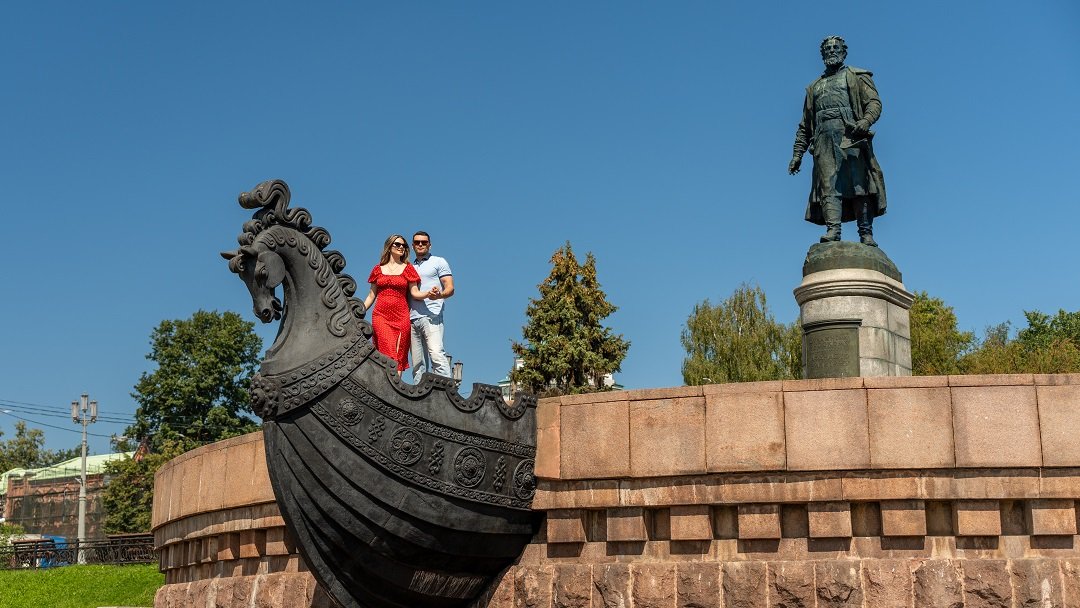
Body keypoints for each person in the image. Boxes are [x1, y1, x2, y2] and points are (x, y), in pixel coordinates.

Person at [789, 35, 887, 247]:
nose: (832, 51)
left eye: (835, 48)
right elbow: (805, 125)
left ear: (844, 51)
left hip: (851, 137)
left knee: (860, 185)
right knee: (828, 186)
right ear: (822, 54)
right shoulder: (814, 87)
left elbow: (874, 103)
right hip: (823, 140)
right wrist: (797, 154)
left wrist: (865, 121)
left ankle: (866, 232)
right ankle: (833, 229)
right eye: (828, 49)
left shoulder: (857, 76)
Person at [363, 235, 435, 375]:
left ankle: (395, 385)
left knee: (398, 355)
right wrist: (359, 310)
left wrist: (428, 294)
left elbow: (414, 292)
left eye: (404, 245)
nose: (401, 247)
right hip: (381, 316)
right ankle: (386, 383)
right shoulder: (378, 269)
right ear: (389, 247)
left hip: (401, 317)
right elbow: (371, 295)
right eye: (397, 244)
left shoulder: (408, 268)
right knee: (387, 351)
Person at [409, 231, 454, 381]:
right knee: (417, 363)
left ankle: (447, 390)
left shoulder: (439, 262)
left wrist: (439, 295)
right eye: (417, 242)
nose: (420, 244)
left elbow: (450, 288)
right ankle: (419, 391)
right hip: (412, 318)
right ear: (413, 246)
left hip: (432, 316)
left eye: (424, 242)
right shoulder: (409, 266)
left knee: (436, 354)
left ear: (430, 245)